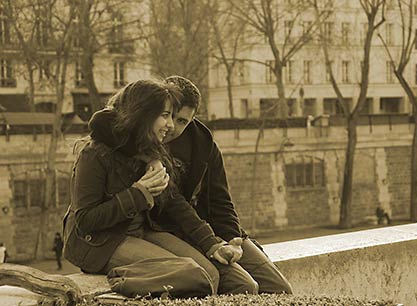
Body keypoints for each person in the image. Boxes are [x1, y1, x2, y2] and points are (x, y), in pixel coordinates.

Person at [63, 79, 241, 298]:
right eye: (165, 115)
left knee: (211, 274)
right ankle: (119, 287)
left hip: (138, 233)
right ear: (144, 115)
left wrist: (212, 244)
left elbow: (176, 203)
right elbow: (85, 221)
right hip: (100, 243)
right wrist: (138, 193)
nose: (170, 125)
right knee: (195, 275)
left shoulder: (148, 151)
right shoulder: (94, 154)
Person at [150, 75, 293, 295]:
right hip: (176, 233)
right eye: (171, 117)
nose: (172, 127)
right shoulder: (149, 142)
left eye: (183, 121)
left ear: (193, 119)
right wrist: (211, 243)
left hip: (210, 230)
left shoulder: (204, 144)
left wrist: (232, 239)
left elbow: (220, 200)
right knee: (245, 287)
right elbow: (172, 204)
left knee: (280, 289)